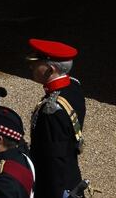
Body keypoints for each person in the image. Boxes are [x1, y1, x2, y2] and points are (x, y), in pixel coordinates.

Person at [26, 39, 87, 198]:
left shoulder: (51, 111)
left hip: (56, 186)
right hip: (70, 174)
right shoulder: (73, 87)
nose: (31, 66)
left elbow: (54, 160)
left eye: (36, 62)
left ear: (50, 69)